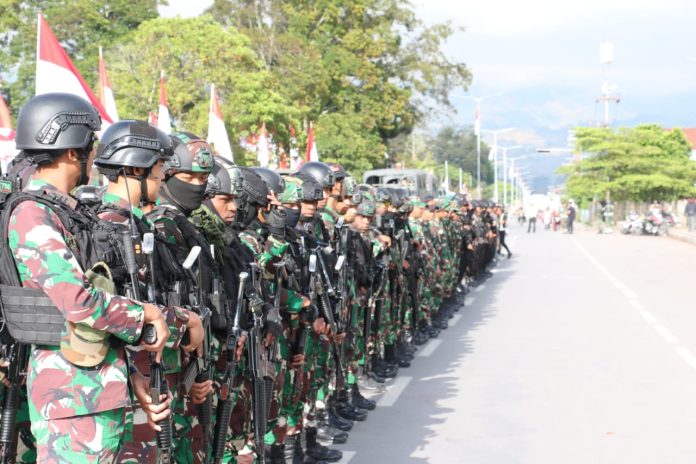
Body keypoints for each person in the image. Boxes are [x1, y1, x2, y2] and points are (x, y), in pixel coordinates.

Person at [6, 93, 170, 462]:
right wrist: (145, 313)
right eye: (89, 145)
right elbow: (78, 302)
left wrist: (130, 376)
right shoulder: (33, 213)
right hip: (72, 397)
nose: (93, 156)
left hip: (94, 390)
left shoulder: (66, 212)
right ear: (70, 151)